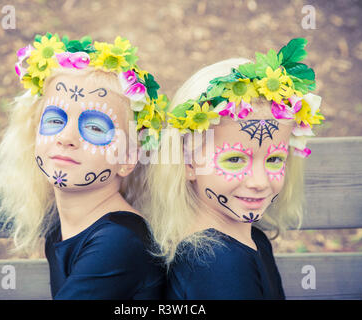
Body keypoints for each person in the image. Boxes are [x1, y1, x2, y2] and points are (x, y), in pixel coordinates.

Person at [0, 32, 167, 299]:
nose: (66, 138)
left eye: (93, 126)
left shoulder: (119, 243)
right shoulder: (57, 212)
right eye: (55, 121)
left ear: (127, 158)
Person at [135, 38, 324, 299]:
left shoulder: (251, 242)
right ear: (189, 162)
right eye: (234, 160)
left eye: (274, 160)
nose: (259, 182)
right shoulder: (217, 265)